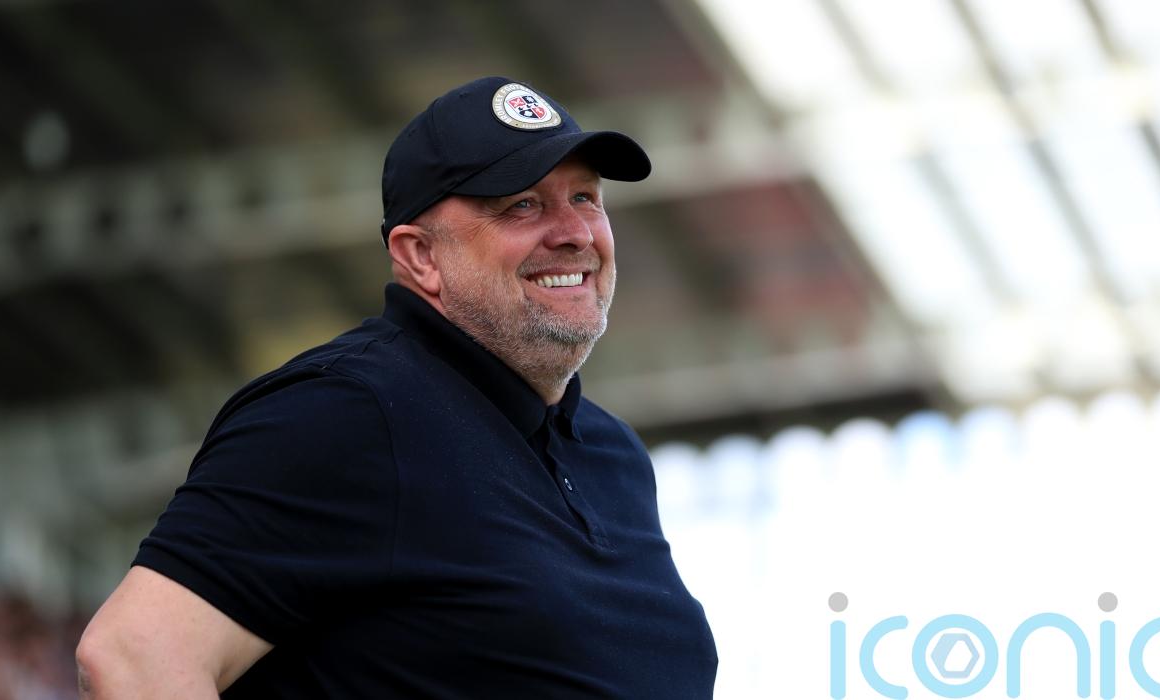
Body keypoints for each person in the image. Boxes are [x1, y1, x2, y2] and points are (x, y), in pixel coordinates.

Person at [76, 76, 718, 698]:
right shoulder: (345, 411)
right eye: (522, 205)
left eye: (585, 197)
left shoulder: (611, 452)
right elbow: (132, 657)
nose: (575, 232)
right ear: (420, 256)